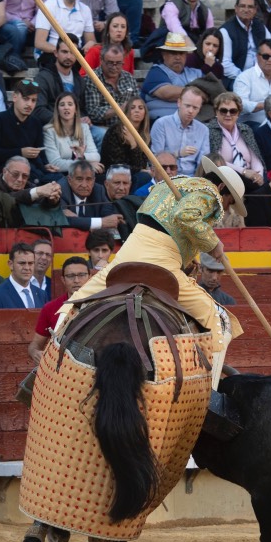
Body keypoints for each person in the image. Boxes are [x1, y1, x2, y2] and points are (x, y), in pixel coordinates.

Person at [62, 156, 246, 377]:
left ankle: (49, 360)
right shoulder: (209, 191)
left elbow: (164, 223)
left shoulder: (175, 182)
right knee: (219, 319)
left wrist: (187, 256)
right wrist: (213, 243)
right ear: (222, 187)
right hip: (161, 261)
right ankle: (210, 384)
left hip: (131, 249)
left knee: (77, 302)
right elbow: (185, 216)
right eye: (228, 201)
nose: (225, 207)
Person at [27, 256, 92, 364]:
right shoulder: (50, 308)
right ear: (63, 280)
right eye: (70, 276)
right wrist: (34, 352)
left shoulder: (101, 305)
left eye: (81, 275)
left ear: (90, 277)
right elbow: (35, 344)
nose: (76, 280)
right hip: (60, 367)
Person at [0, 80, 49, 180]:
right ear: (14, 97)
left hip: (34, 170)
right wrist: (20, 152)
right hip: (6, 172)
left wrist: (46, 165)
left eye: (33, 100)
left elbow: (40, 152)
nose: (29, 104)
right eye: (25, 99)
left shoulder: (36, 122)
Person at [0, 156, 62, 227]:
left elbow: (41, 202)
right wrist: (37, 191)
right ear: (4, 171)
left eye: (25, 176)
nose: (20, 179)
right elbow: (6, 200)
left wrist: (52, 200)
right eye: (15, 174)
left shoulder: (29, 186)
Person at [82, 43, 139, 142]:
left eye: (118, 63)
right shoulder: (92, 79)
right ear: (101, 60)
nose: (114, 67)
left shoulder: (129, 78)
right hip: (101, 127)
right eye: (110, 63)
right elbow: (93, 112)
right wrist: (120, 109)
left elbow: (137, 103)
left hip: (127, 126)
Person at [149, 85, 210, 177]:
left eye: (195, 108)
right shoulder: (161, 124)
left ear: (199, 109)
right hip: (166, 176)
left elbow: (202, 163)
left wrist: (196, 181)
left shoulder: (203, 130)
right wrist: (178, 154)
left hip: (192, 179)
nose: (190, 111)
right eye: (187, 106)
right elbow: (155, 159)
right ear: (179, 103)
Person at [207, 92, 265, 186]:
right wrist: (243, 171)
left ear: (238, 113)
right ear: (216, 112)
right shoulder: (210, 131)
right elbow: (215, 162)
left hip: (250, 180)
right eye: (223, 111)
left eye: (233, 111)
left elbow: (255, 158)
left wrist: (259, 175)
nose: (228, 114)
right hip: (224, 180)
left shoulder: (245, 129)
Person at [141, 33, 202, 120]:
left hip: (193, 123)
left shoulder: (196, 73)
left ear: (186, 55)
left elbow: (212, 90)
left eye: (181, 53)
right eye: (173, 53)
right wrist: (199, 92)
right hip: (161, 122)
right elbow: (168, 94)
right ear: (164, 55)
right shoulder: (156, 72)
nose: (178, 57)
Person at [233, 39, 271, 126]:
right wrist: (267, 105)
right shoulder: (244, 78)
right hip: (250, 126)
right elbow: (240, 104)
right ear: (257, 56)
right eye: (266, 56)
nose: (270, 60)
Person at [220, 0, 271, 86]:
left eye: (250, 7)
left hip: (261, 76)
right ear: (236, 8)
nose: (246, 10)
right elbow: (225, 64)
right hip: (237, 78)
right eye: (242, 6)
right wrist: (247, 78)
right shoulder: (226, 31)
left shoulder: (260, 27)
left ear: (255, 10)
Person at [43, 92, 100, 176]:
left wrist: (83, 156)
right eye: (62, 105)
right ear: (57, 110)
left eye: (70, 104)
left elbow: (96, 156)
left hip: (83, 174)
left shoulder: (84, 128)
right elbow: (55, 163)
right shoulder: (49, 131)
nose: (66, 107)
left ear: (76, 109)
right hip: (62, 175)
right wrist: (86, 164)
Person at [59, 159, 124, 231]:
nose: (84, 185)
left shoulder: (98, 190)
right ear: (69, 180)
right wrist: (101, 222)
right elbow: (63, 220)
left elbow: (109, 216)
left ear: (94, 180)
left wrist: (110, 220)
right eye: (79, 179)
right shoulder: (61, 190)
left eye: (88, 179)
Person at [99, 96, 152, 179]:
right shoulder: (115, 131)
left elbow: (141, 165)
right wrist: (133, 144)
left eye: (140, 108)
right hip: (113, 174)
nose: (137, 110)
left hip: (135, 174)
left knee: (145, 176)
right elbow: (116, 165)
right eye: (132, 108)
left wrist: (133, 144)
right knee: (144, 176)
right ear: (126, 112)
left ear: (145, 113)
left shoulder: (145, 136)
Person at [0, 242, 48, 309]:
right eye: (22, 263)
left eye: (30, 263)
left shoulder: (42, 295)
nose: (27, 268)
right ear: (11, 264)